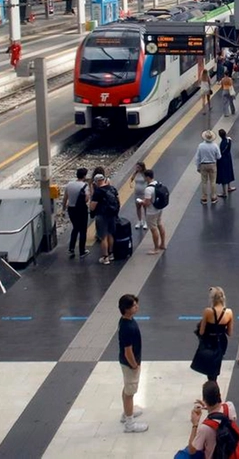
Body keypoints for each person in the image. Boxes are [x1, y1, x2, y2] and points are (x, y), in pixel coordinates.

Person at [178, 380, 239, 459]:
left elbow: (192, 450)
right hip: (231, 451)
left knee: (181, 456)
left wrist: (195, 424)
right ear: (219, 395)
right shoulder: (229, 407)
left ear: (204, 399)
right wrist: (207, 406)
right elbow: (220, 409)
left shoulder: (205, 428)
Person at [117, 294, 149, 433]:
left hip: (128, 363)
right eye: (134, 305)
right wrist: (134, 365)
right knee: (130, 392)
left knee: (127, 389)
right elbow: (128, 351)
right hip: (130, 364)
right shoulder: (127, 327)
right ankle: (129, 423)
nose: (137, 307)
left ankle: (126, 412)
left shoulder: (126, 321)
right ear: (127, 309)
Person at [194, 286, 234, 382]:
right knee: (216, 364)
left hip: (210, 341)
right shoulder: (229, 312)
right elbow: (230, 332)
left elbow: (202, 331)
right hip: (221, 342)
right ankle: (213, 382)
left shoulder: (208, 311)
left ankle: (212, 384)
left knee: (210, 369)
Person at [89, 172, 120, 264]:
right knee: (111, 234)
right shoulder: (112, 189)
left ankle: (105, 257)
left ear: (96, 182)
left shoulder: (98, 192)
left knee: (103, 237)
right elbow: (118, 201)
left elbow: (92, 207)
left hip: (102, 216)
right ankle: (111, 254)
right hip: (112, 215)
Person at [61, 168, 91, 259]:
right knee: (83, 230)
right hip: (81, 210)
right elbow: (86, 200)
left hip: (71, 209)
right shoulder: (85, 186)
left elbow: (65, 198)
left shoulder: (69, 184)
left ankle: (71, 249)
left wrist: (63, 209)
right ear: (84, 176)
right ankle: (82, 251)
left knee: (75, 228)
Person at [141, 169, 167, 255]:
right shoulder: (158, 184)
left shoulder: (148, 189)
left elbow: (147, 203)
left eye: (144, 177)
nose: (143, 178)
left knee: (153, 229)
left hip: (151, 211)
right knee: (160, 224)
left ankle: (156, 248)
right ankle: (162, 244)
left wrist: (141, 202)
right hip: (159, 208)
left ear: (147, 177)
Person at [195, 130, 221, 205]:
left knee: (204, 182)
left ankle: (204, 198)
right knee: (213, 182)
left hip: (203, 165)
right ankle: (213, 197)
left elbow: (197, 157)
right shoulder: (215, 146)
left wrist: (198, 166)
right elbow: (219, 156)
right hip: (212, 164)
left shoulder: (200, 146)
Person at [216, 128, 236, 197]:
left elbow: (220, 153)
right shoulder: (228, 140)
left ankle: (224, 193)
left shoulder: (222, 144)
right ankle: (229, 187)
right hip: (228, 158)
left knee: (223, 175)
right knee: (229, 171)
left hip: (223, 160)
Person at [131, 162, 148, 233]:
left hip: (144, 193)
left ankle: (145, 221)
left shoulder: (145, 174)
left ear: (142, 167)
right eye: (136, 167)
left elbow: (148, 180)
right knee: (138, 207)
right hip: (137, 193)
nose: (137, 168)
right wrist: (134, 174)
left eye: (138, 167)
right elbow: (132, 179)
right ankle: (139, 221)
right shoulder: (136, 173)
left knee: (145, 207)